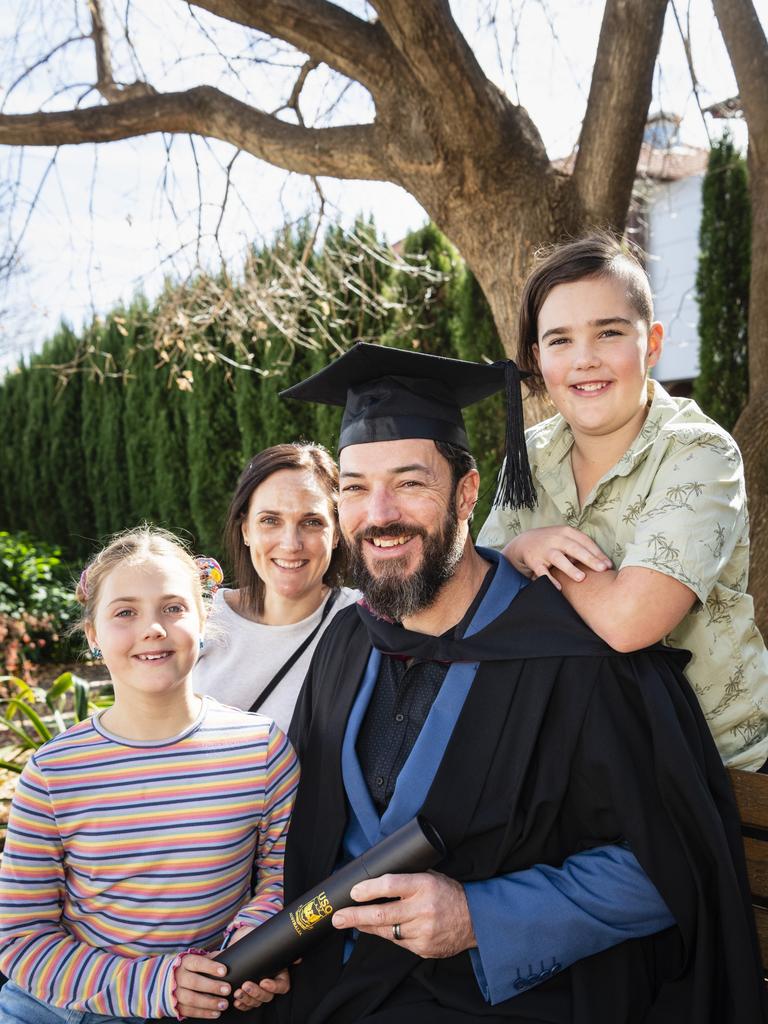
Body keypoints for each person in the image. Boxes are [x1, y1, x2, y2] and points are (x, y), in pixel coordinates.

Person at [177, 343, 764, 1023]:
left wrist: (480, 915)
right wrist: (268, 948)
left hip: (503, 997)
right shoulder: (347, 642)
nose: (380, 512)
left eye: (410, 482)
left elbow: (674, 866)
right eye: (356, 488)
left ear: (466, 493)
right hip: (341, 983)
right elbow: (307, 841)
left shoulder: (573, 657)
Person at [478, 233, 768, 771]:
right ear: (538, 360)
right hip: (590, 760)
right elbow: (480, 598)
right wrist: (519, 546)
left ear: (652, 343)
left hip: (720, 766)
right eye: (560, 341)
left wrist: (537, 557)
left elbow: (628, 622)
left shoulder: (699, 452)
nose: (584, 360)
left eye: (608, 332)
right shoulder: (533, 456)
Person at [0, 527, 299, 1023]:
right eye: (125, 612)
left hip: (208, 999)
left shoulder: (260, 750)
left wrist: (256, 949)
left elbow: (280, 878)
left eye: (173, 608)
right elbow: (20, 939)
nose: (152, 628)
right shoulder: (53, 774)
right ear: (93, 633)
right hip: (63, 1009)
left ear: (204, 617)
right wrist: (156, 985)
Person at [193, 443, 358, 733]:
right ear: (246, 530)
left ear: (337, 533)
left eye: (311, 522)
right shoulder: (199, 618)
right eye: (270, 520)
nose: (290, 544)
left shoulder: (365, 621)